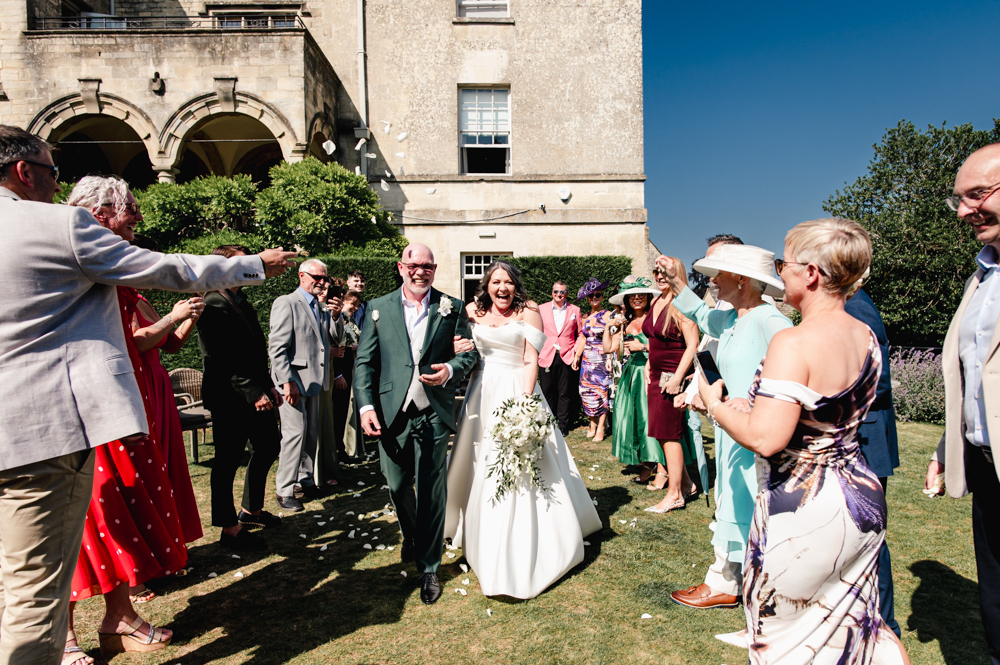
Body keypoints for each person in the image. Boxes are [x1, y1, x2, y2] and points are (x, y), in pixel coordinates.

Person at [0, 125, 294, 664]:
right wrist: (256, 265)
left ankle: (118, 618)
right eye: (51, 171)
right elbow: (169, 269)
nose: (54, 184)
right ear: (24, 171)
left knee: (16, 574)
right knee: (35, 589)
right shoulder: (56, 226)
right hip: (43, 434)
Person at [700, 218, 908, 664]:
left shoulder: (793, 341)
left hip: (803, 504)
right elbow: (825, 414)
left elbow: (767, 438)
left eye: (783, 263)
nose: (779, 273)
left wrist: (714, 404)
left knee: (785, 641)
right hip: (859, 496)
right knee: (858, 632)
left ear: (811, 272)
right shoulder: (865, 335)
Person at [445, 260, 602, 599]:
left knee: (520, 462)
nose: (502, 288)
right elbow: (460, 347)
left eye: (508, 282)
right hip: (480, 392)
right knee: (476, 458)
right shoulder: (471, 311)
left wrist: (524, 404)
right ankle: (471, 526)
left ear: (516, 285)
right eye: (495, 282)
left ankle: (521, 536)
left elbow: (531, 359)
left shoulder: (529, 311)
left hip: (517, 389)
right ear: (486, 285)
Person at [657, 244, 791, 610]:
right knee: (731, 502)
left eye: (719, 274)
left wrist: (755, 399)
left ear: (743, 280)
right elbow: (700, 313)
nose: (713, 280)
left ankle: (759, 590)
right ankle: (733, 583)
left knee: (754, 505)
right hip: (731, 430)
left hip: (757, 433)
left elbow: (794, 371)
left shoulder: (772, 321)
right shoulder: (731, 318)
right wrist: (675, 282)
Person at [353, 243, 479, 604]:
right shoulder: (377, 308)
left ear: (434, 269)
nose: (419, 270)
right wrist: (365, 408)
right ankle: (412, 534)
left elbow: (469, 352)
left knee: (431, 488)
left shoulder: (452, 307)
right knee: (395, 485)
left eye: (426, 265)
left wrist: (451, 369)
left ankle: (429, 566)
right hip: (391, 410)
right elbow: (365, 363)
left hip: (433, 411)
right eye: (413, 264)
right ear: (400, 267)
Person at [925, 142, 1000, 664]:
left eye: (978, 195)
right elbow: (976, 377)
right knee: (994, 588)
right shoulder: (982, 275)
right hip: (985, 460)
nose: (966, 211)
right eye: (960, 200)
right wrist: (946, 444)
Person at [197, 244, 283, 551]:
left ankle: (251, 511)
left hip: (255, 390)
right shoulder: (213, 303)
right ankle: (229, 528)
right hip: (229, 396)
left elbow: (254, 353)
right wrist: (253, 391)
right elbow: (223, 358)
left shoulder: (239, 300)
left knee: (269, 446)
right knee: (228, 461)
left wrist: (269, 385)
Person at [845, 286, 901, 637]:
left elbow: (878, 380)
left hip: (865, 438)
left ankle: (884, 624)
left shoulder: (857, 307)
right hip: (857, 436)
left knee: (869, 535)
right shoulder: (847, 304)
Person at [269, 259, 344, 513]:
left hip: (316, 381)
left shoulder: (321, 308)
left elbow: (334, 340)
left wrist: (335, 315)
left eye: (325, 278)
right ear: (302, 276)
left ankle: (305, 479)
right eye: (317, 277)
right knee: (294, 435)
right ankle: (284, 489)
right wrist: (286, 381)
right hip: (293, 382)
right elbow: (277, 348)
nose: (322, 283)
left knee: (311, 433)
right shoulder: (286, 303)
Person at [679, 234, 744, 496]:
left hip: (738, 405)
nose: (710, 277)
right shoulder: (724, 304)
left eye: (715, 266)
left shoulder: (756, 310)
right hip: (719, 401)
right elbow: (708, 348)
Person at [644, 257, 700, 513]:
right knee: (661, 432)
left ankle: (675, 494)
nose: (659, 276)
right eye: (656, 272)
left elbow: (692, 345)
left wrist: (678, 377)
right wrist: (647, 364)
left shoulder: (682, 304)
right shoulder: (657, 300)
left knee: (669, 434)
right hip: (655, 375)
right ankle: (686, 483)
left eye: (665, 272)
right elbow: (654, 340)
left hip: (671, 377)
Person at [602, 277, 661, 482]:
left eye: (641, 295)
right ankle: (646, 464)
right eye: (632, 296)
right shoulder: (625, 322)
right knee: (634, 419)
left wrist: (643, 347)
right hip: (631, 374)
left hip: (651, 371)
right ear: (627, 300)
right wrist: (608, 327)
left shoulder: (655, 319)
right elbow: (609, 348)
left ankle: (659, 464)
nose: (637, 298)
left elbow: (667, 348)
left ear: (647, 297)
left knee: (649, 419)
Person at [538, 281, 583, 436]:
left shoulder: (575, 310)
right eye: (556, 291)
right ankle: (547, 423)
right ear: (552, 293)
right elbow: (536, 331)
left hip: (567, 355)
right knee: (547, 392)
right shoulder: (541, 309)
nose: (559, 294)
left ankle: (563, 426)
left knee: (565, 393)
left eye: (562, 292)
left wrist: (575, 352)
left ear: (566, 294)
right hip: (546, 355)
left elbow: (581, 333)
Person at [573, 277, 613, 441]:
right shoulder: (585, 317)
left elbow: (612, 337)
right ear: (587, 299)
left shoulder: (608, 315)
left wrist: (610, 357)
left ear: (602, 296)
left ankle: (601, 428)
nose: (594, 298)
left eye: (598, 295)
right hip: (587, 361)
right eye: (591, 296)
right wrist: (576, 356)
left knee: (601, 392)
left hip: (602, 359)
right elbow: (582, 338)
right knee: (586, 392)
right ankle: (592, 424)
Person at [336, 289, 366, 459]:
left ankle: (343, 447)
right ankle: (339, 448)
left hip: (350, 366)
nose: (354, 308)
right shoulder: (337, 319)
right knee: (340, 411)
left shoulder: (349, 319)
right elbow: (342, 344)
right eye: (351, 304)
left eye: (356, 305)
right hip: (340, 369)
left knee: (345, 409)